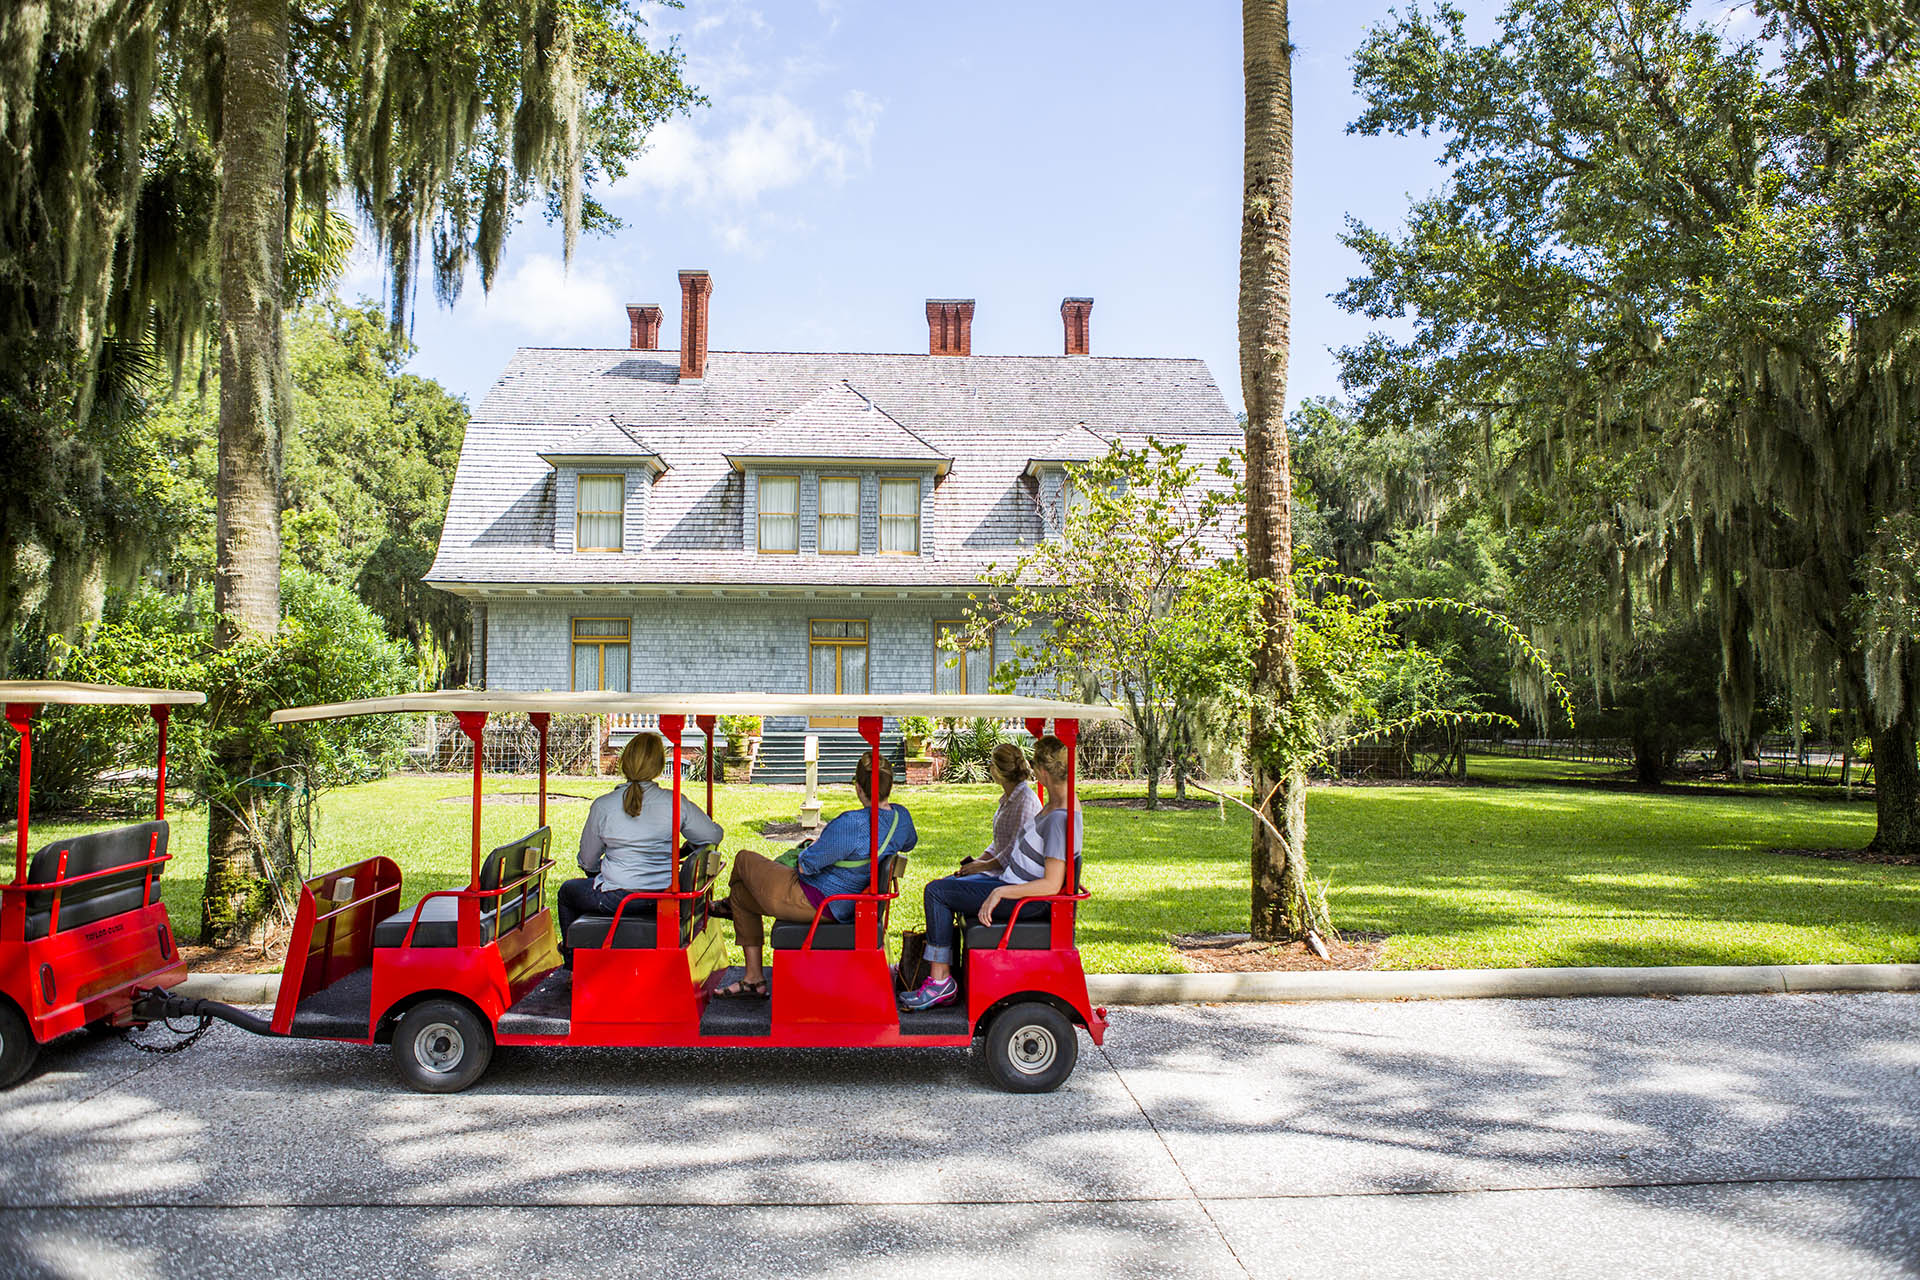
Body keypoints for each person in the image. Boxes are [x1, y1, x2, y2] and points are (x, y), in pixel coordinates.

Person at [711, 751, 917, 997]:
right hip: (846, 902)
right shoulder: (901, 819)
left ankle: (725, 909)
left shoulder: (853, 823)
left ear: (859, 788)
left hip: (819, 900)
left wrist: (811, 847)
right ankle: (753, 978)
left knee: (744, 859)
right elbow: (910, 842)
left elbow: (806, 865)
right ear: (890, 785)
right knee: (741, 895)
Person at [900, 735, 1079, 1011]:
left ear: (1043, 772)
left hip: (1025, 901)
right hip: (1014, 886)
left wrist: (1001, 890)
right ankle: (948, 972)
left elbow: (1052, 884)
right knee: (945, 887)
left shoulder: (1058, 817)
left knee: (936, 892)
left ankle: (940, 982)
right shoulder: (1056, 806)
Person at [557, 732, 723, 966]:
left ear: (624, 762)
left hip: (618, 898)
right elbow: (713, 835)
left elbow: (587, 860)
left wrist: (598, 874)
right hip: (665, 896)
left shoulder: (603, 805)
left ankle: (574, 964)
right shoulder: (674, 801)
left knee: (567, 892)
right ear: (658, 765)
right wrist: (684, 848)